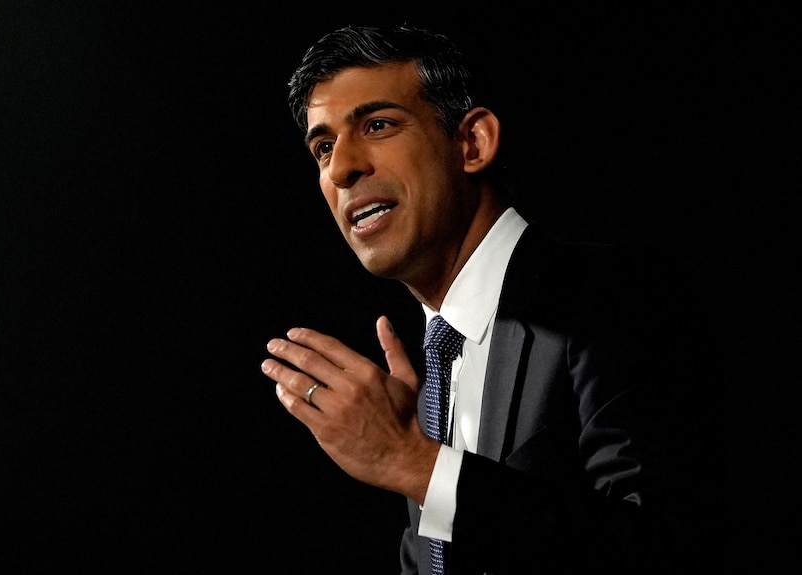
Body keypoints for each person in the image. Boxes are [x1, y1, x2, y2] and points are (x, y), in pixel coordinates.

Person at [260, 24, 721, 574]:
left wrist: (410, 462)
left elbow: (660, 548)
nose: (341, 168)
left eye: (378, 125)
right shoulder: (427, 369)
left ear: (472, 143)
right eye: (323, 146)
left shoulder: (617, 294)